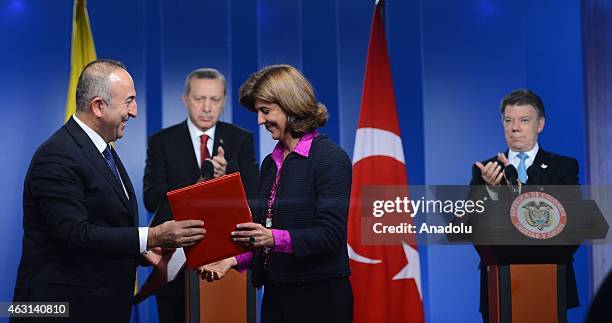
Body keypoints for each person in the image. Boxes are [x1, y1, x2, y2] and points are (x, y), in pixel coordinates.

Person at [11, 60, 206, 323]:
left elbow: (103, 223)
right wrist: (152, 236)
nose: (135, 111)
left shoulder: (103, 151)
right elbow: (75, 235)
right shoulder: (57, 156)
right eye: (129, 101)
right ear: (98, 106)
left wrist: (142, 252)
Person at [201, 64, 353, 323]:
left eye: (266, 111)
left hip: (320, 300)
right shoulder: (270, 163)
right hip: (276, 297)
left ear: (290, 106)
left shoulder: (330, 158)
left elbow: (330, 235)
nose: (260, 120)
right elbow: (265, 234)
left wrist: (271, 238)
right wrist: (232, 260)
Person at [143, 67, 258, 323]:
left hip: (226, 261)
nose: (207, 107)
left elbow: (254, 196)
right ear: (185, 99)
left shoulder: (241, 139)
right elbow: (151, 198)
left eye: (215, 99)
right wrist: (202, 182)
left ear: (224, 101)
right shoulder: (161, 141)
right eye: (199, 98)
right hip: (176, 258)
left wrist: (228, 174)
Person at [469, 89, 580, 322]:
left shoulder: (564, 167)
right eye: (508, 121)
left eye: (524, 120)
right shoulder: (485, 169)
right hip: (499, 284)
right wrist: (490, 191)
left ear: (540, 124)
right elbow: (469, 223)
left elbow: (571, 222)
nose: (515, 128)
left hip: (549, 283)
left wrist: (522, 190)